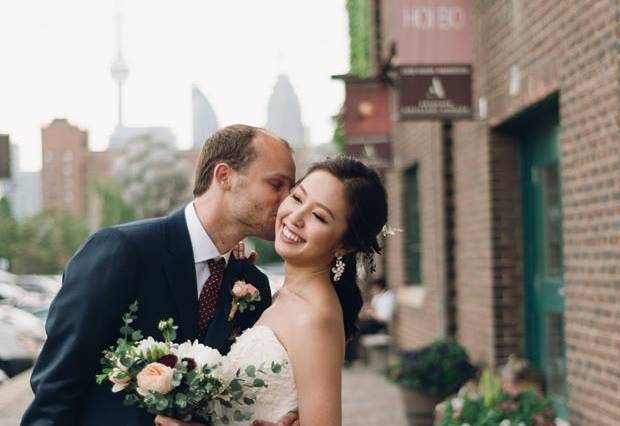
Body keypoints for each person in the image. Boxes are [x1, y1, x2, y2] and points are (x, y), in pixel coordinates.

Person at [21, 124, 297, 426]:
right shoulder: (122, 250)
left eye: (290, 189)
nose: (287, 201)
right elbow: (57, 386)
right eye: (276, 185)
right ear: (224, 176)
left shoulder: (253, 284)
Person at [154, 156, 389, 426]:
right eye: (298, 198)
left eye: (318, 216)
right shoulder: (278, 295)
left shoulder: (314, 318)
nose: (296, 217)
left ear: (344, 245)